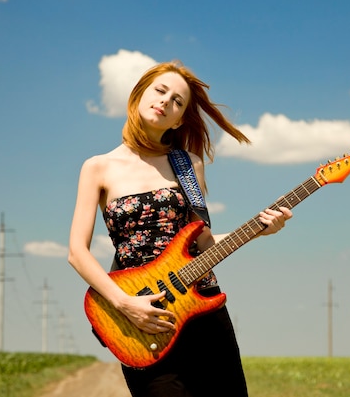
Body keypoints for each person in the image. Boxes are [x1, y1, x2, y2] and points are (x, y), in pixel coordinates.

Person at [68, 60, 292, 397]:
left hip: (204, 312)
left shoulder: (189, 165)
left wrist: (259, 230)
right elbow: (77, 253)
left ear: (180, 118)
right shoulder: (98, 168)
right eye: (160, 91)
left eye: (178, 101)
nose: (166, 101)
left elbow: (202, 242)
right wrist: (124, 304)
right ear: (139, 93)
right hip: (144, 319)